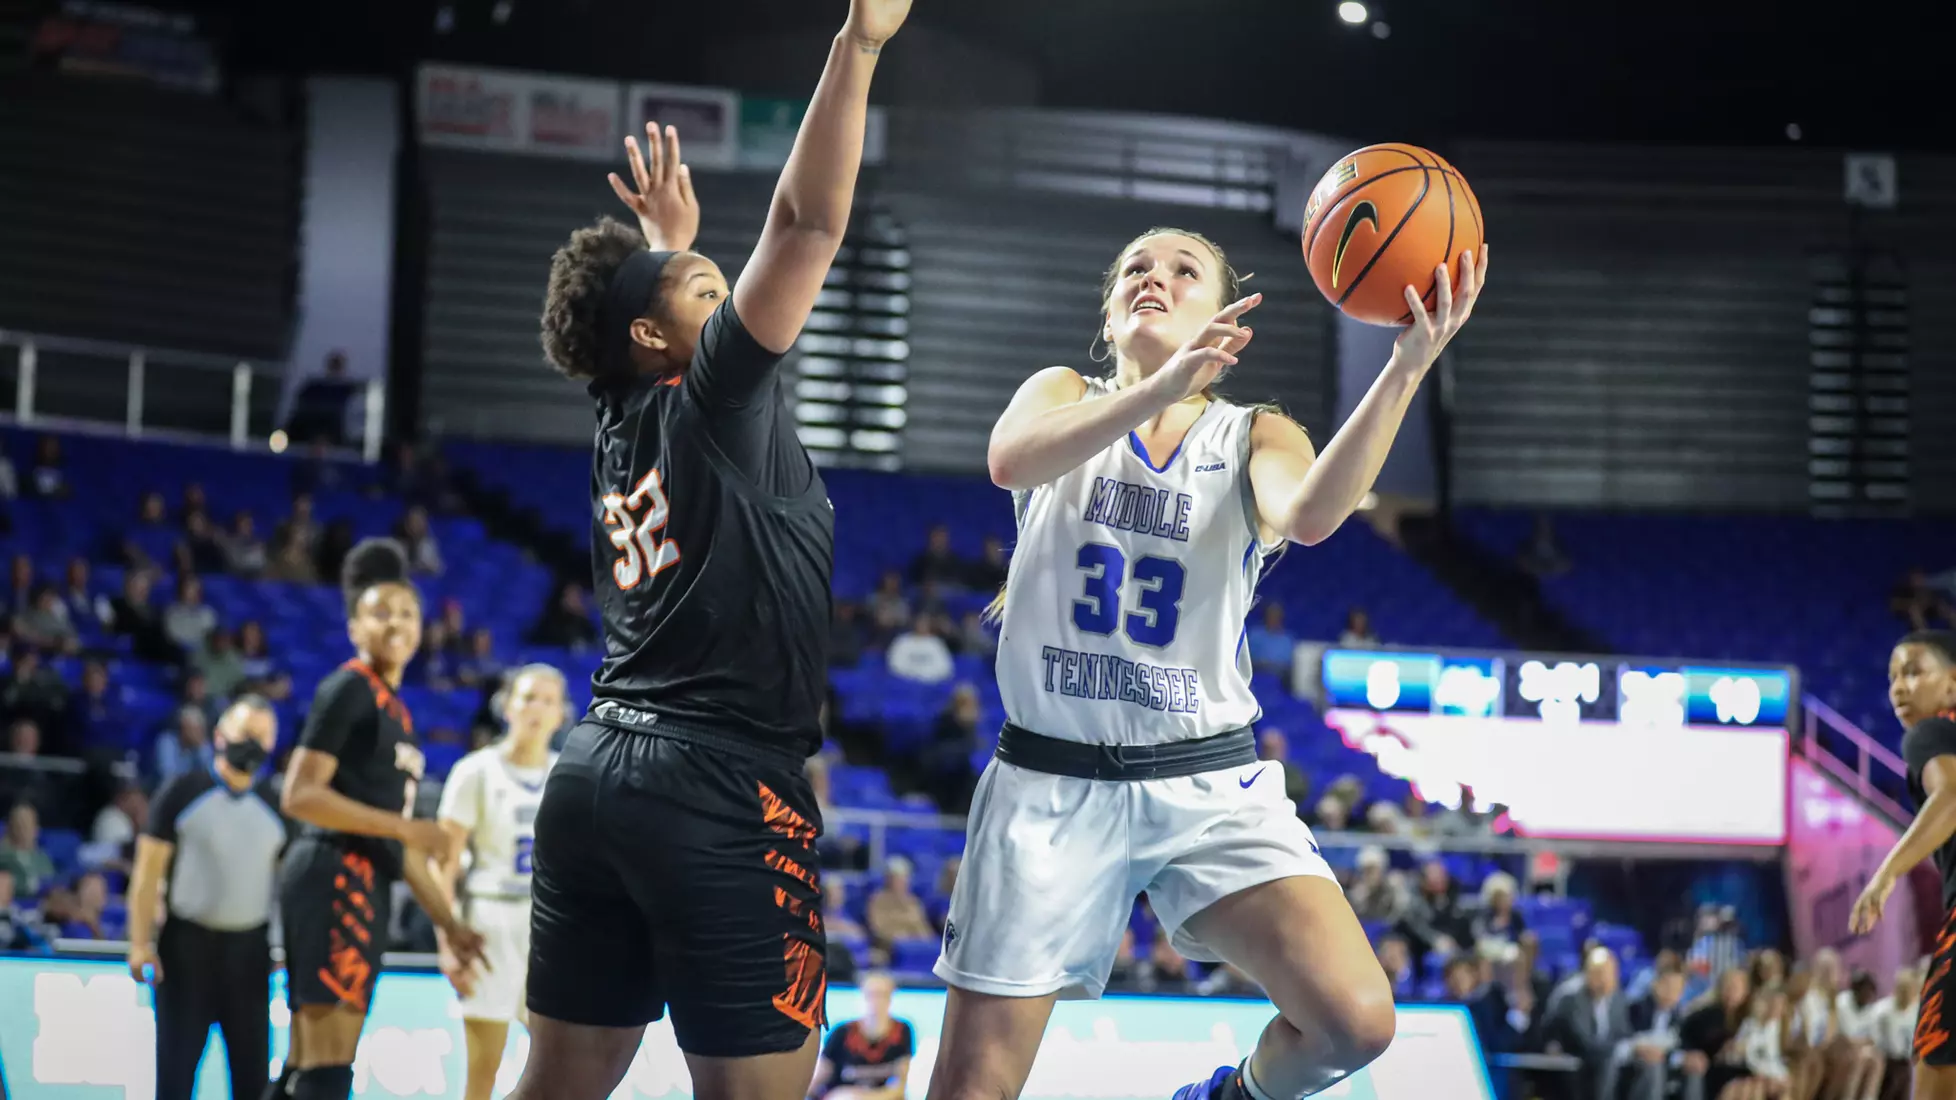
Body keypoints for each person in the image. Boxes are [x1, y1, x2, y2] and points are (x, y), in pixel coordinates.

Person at [928, 195, 1487, 1100]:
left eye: (1185, 269)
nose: (1157, 276)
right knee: (970, 1090)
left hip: (1203, 779)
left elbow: (1310, 517)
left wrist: (1405, 368)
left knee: (1356, 1020)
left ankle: (1237, 1097)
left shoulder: (1251, 430)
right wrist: (1154, 389)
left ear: (1226, 316)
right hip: (1051, 781)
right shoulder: (1061, 394)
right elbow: (1010, 460)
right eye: (1138, 268)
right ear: (1111, 311)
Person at [516, 4, 912, 1100]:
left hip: (596, 775)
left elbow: (640, 319)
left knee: (555, 1084)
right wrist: (858, 48)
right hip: (715, 782)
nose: (730, 290)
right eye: (706, 288)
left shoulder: (615, 416)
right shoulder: (711, 399)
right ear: (656, 338)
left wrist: (661, 255)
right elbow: (804, 224)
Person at [272, 539, 485, 1100]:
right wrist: (401, 828)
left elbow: (402, 845)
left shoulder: (399, 713)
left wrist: (451, 925)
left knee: (307, 1065)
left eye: (408, 612)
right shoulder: (349, 687)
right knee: (325, 1065)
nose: (397, 622)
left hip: (365, 880)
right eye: (380, 611)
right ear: (353, 628)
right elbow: (298, 796)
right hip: (330, 870)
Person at [127, 698, 284, 1100]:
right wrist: (140, 944)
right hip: (186, 951)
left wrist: (286, 945)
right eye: (247, 734)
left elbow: (289, 884)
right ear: (220, 736)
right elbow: (147, 873)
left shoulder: (277, 806)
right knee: (176, 1078)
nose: (254, 745)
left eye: (264, 737)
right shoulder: (183, 792)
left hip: (249, 955)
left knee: (252, 1081)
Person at [434, 664, 566, 1100]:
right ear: (506, 706)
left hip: (550, 928)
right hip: (488, 923)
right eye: (528, 697)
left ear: (561, 714)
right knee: (482, 1073)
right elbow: (445, 863)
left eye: (548, 700)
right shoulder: (475, 771)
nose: (537, 708)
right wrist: (446, 938)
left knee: (560, 1068)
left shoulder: (569, 773)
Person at [1851, 629, 1956, 1100]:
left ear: (1952, 685)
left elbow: (1953, 795)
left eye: (1914, 672)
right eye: (1892, 676)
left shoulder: (1931, 732)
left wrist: (1886, 873)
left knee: (1936, 1069)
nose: (1898, 687)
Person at [809, 972, 915, 1100]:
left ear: (891, 998)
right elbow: (819, 1077)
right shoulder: (842, 1032)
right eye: (871, 995)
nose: (876, 1001)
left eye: (882, 995)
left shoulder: (902, 1031)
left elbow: (900, 1085)